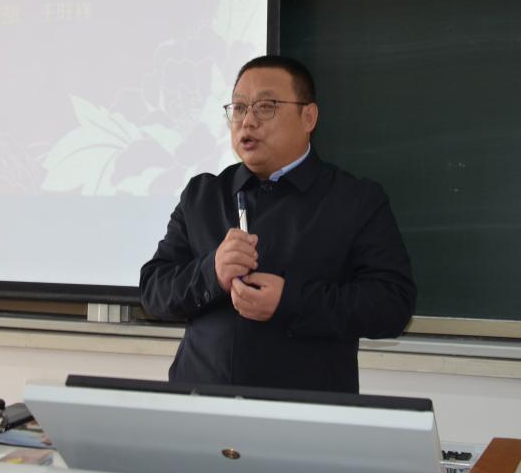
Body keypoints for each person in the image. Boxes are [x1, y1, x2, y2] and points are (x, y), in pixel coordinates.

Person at [139, 55, 416, 393]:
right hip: (198, 405)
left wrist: (291, 301)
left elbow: (392, 305)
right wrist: (212, 272)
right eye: (239, 108)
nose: (248, 121)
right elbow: (153, 291)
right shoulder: (204, 195)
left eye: (265, 107)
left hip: (305, 412)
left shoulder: (354, 200)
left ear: (308, 117)